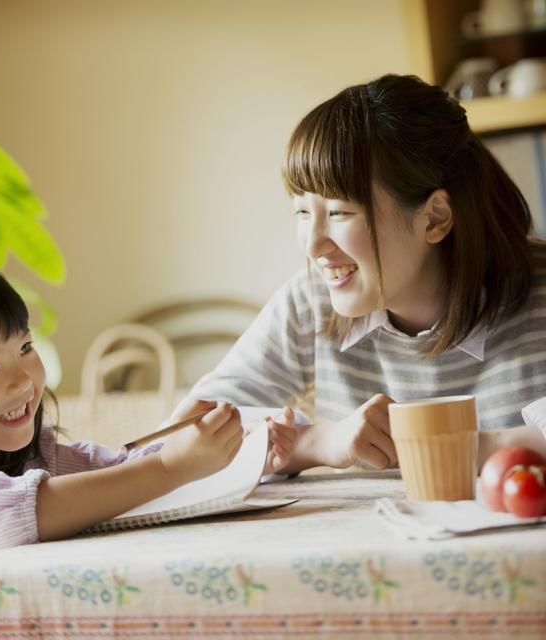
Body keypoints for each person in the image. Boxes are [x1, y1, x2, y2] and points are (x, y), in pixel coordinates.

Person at [175, 73, 546, 475]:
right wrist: (316, 442)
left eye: (339, 212)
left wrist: (457, 446)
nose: (312, 245)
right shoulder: (310, 303)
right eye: (302, 212)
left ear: (435, 217)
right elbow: (183, 436)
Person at [0, 258, 249, 615]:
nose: (23, 380)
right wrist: (168, 466)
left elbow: (117, 473)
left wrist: (216, 443)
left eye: (25, 348)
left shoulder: (27, 453)